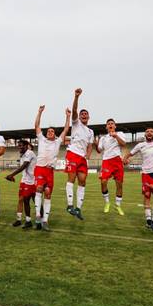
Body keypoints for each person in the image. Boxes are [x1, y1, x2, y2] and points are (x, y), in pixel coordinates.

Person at [33, 106, 71, 231]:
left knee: (48, 194)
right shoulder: (41, 139)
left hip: (49, 171)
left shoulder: (57, 141)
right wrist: (39, 112)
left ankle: (45, 221)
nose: (50, 132)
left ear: (54, 134)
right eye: (48, 131)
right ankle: (38, 215)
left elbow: (66, 129)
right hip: (39, 169)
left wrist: (68, 116)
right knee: (39, 189)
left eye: (52, 131)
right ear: (46, 133)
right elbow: (37, 126)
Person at [64, 88, 95, 220]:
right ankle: (70, 205)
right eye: (82, 114)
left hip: (82, 158)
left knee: (82, 181)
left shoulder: (90, 132)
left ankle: (78, 208)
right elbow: (75, 110)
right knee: (71, 179)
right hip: (73, 153)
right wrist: (76, 97)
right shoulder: (76, 124)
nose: (83, 115)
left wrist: (88, 155)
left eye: (85, 114)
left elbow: (90, 145)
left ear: (88, 117)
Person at [95, 118, 127, 215]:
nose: (110, 125)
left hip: (117, 160)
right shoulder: (103, 138)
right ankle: (107, 202)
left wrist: (115, 136)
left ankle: (118, 205)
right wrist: (96, 144)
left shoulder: (120, 133)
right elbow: (99, 150)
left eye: (112, 123)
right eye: (108, 124)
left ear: (115, 126)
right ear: (106, 127)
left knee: (119, 184)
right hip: (107, 161)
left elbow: (123, 144)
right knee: (103, 181)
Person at [5, 140, 36, 228]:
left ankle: (41, 220)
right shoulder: (22, 155)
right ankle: (19, 219)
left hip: (32, 180)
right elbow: (22, 169)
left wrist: (11, 175)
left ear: (27, 146)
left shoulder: (29, 153)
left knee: (35, 200)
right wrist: (13, 176)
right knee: (21, 199)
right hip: (24, 180)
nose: (20, 147)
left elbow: (24, 166)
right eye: (19, 146)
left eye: (21, 145)